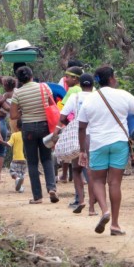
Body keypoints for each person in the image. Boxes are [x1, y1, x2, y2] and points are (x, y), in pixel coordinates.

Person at [76, 66, 134, 236]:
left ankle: (104, 211)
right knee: (115, 183)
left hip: (98, 144)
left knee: (97, 181)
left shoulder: (90, 100)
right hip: (119, 143)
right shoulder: (123, 95)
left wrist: (82, 151)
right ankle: (115, 224)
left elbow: (81, 127)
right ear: (111, 79)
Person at [9, 65, 59, 204]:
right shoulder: (43, 87)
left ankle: (37, 197)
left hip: (28, 128)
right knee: (47, 159)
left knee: (32, 162)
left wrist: (24, 112)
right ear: (32, 75)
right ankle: (51, 188)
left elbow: (13, 115)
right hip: (44, 126)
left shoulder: (18, 93)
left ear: (19, 79)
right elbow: (51, 105)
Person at [57, 71, 92, 214]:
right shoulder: (98, 97)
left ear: (79, 83)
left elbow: (62, 116)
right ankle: (94, 203)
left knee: (77, 169)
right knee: (92, 171)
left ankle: (80, 199)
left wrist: (70, 123)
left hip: (80, 136)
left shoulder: (74, 96)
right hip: (96, 137)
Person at [8, 120, 26, 193]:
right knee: (22, 174)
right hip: (24, 160)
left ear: (16, 127)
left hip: (16, 158)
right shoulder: (26, 135)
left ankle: (17, 179)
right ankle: (20, 187)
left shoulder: (14, 135)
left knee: (13, 173)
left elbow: (9, 144)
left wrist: (2, 142)